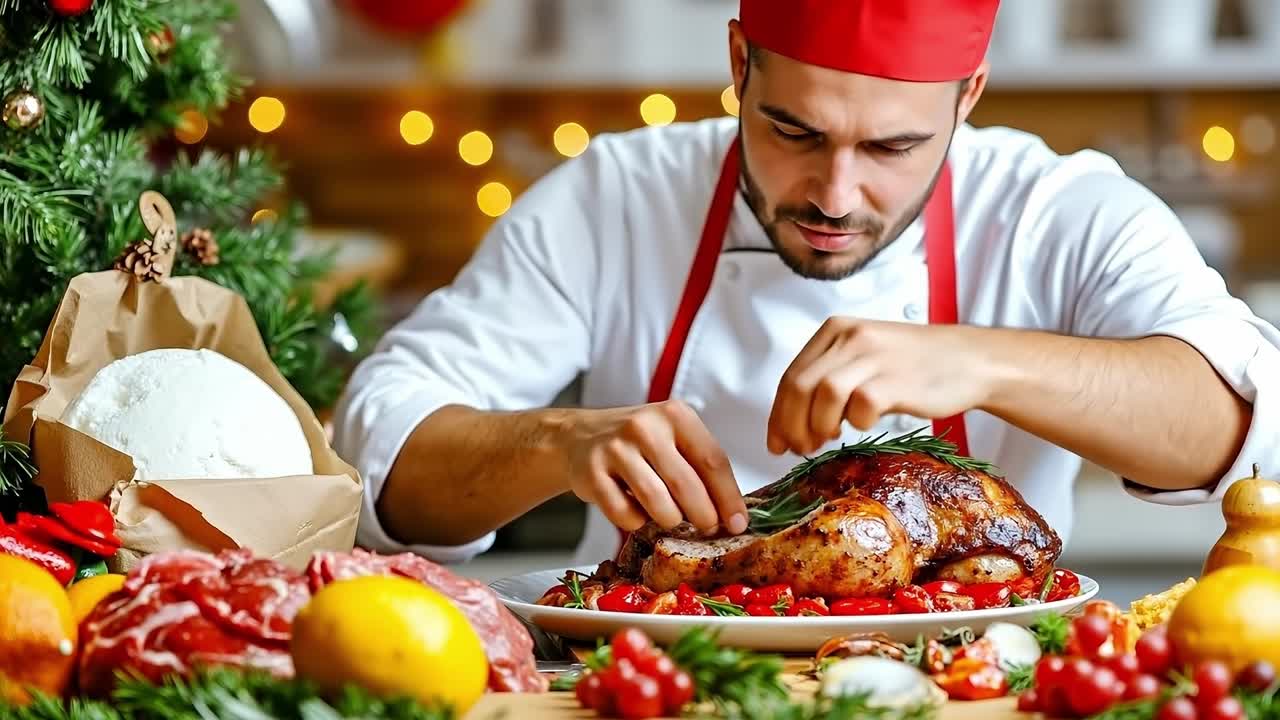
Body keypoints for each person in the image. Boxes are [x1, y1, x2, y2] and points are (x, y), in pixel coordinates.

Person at [333, 0, 1279, 568]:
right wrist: (559, 440)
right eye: (794, 131)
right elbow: (378, 451)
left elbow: (1241, 428)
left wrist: (986, 363)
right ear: (740, 63)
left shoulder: (1056, 208)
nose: (835, 193)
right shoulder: (614, 197)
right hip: (651, 685)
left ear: (969, 97)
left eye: (893, 147)